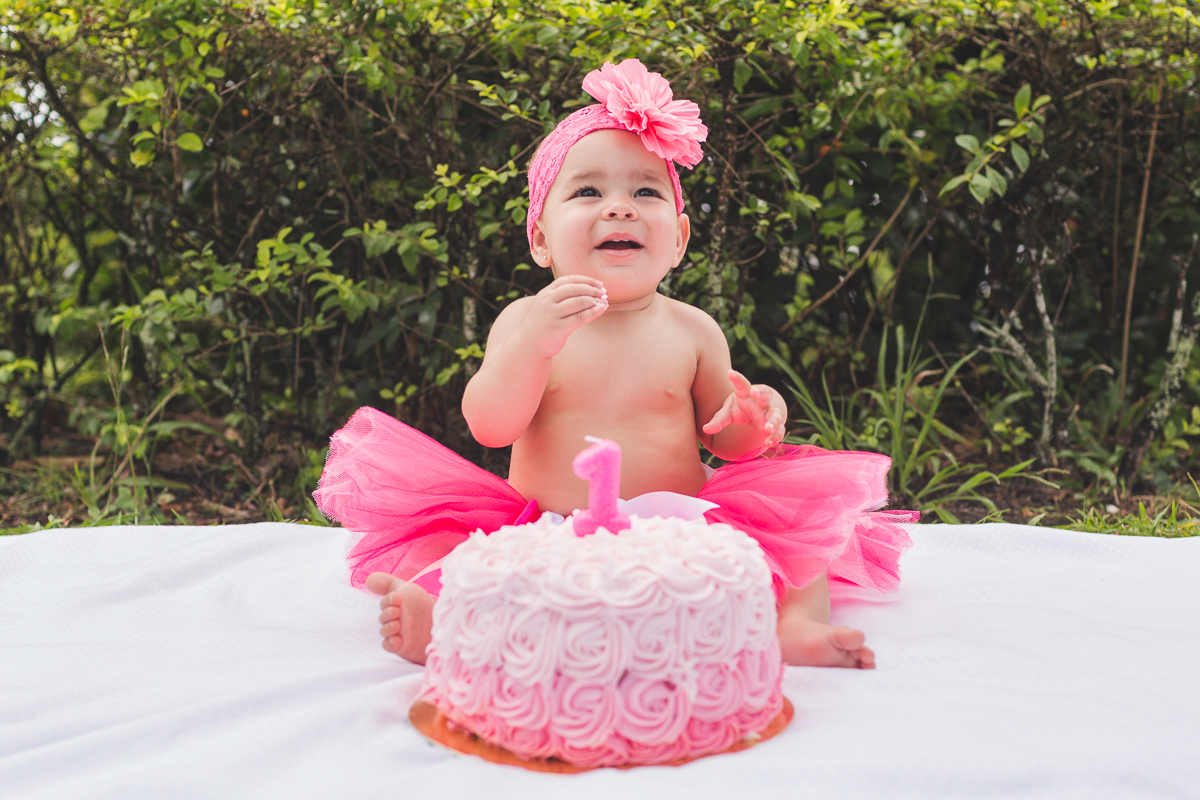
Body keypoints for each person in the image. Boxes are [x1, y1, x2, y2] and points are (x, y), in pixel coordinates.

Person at [314, 59, 915, 672]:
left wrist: (754, 418)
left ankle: (797, 627)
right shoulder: (526, 320)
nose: (621, 208)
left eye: (645, 191)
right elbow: (489, 427)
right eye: (588, 192)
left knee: (800, 543)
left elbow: (728, 443)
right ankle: (439, 621)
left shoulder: (692, 330)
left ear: (678, 239)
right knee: (471, 564)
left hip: (678, 528)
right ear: (541, 238)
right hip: (545, 526)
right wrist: (533, 347)